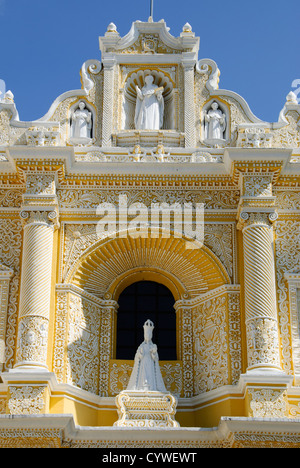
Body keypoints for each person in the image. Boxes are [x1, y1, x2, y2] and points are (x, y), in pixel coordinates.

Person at [126, 319, 167, 392]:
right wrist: (141, 353)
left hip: (150, 363)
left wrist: (153, 353)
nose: (148, 336)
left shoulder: (153, 346)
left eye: (149, 335)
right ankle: (142, 387)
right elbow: (138, 357)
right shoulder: (142, 346)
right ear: (145, 335)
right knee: (143, 375)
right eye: (146, 335)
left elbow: (155, 358)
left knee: (150, 375)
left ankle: (151, 387)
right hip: (143, 364)